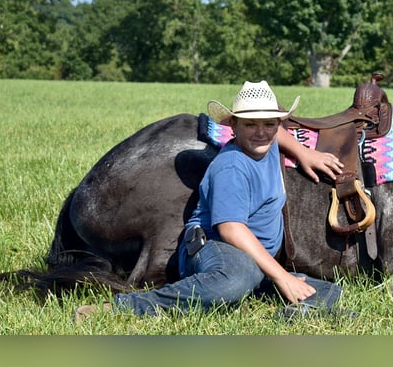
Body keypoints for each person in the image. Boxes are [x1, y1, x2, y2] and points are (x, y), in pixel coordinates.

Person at [75, 80, 346, 320]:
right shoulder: (232, 167)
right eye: (250, 124)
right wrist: (282, 275)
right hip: (216, 246)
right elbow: (231, 230)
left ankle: (285, 312)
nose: (261, 132)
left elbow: (276, 133)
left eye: (269, 124)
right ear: (233, 126)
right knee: (237, 279)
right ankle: (127, 306)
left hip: (254, 259)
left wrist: (303, 152)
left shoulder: (268, 141)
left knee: (328, 290)